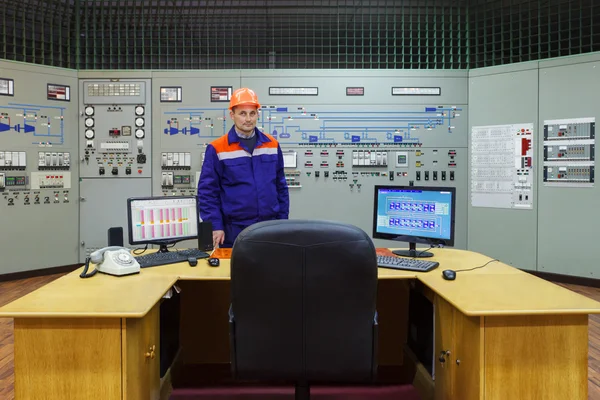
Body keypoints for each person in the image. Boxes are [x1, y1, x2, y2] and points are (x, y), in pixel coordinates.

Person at [197, 88, 290, 248]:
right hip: (234, 230)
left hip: (269, 227)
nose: (248, 119)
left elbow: (281, 187)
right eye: (242, 113)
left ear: (257, 114)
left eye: (252, 113)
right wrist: (215, 226)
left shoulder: (272, 145)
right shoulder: (217, 148)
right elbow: (207, 193)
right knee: (235, 272)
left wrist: (282, 221)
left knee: (271, 271)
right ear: (232, 115)